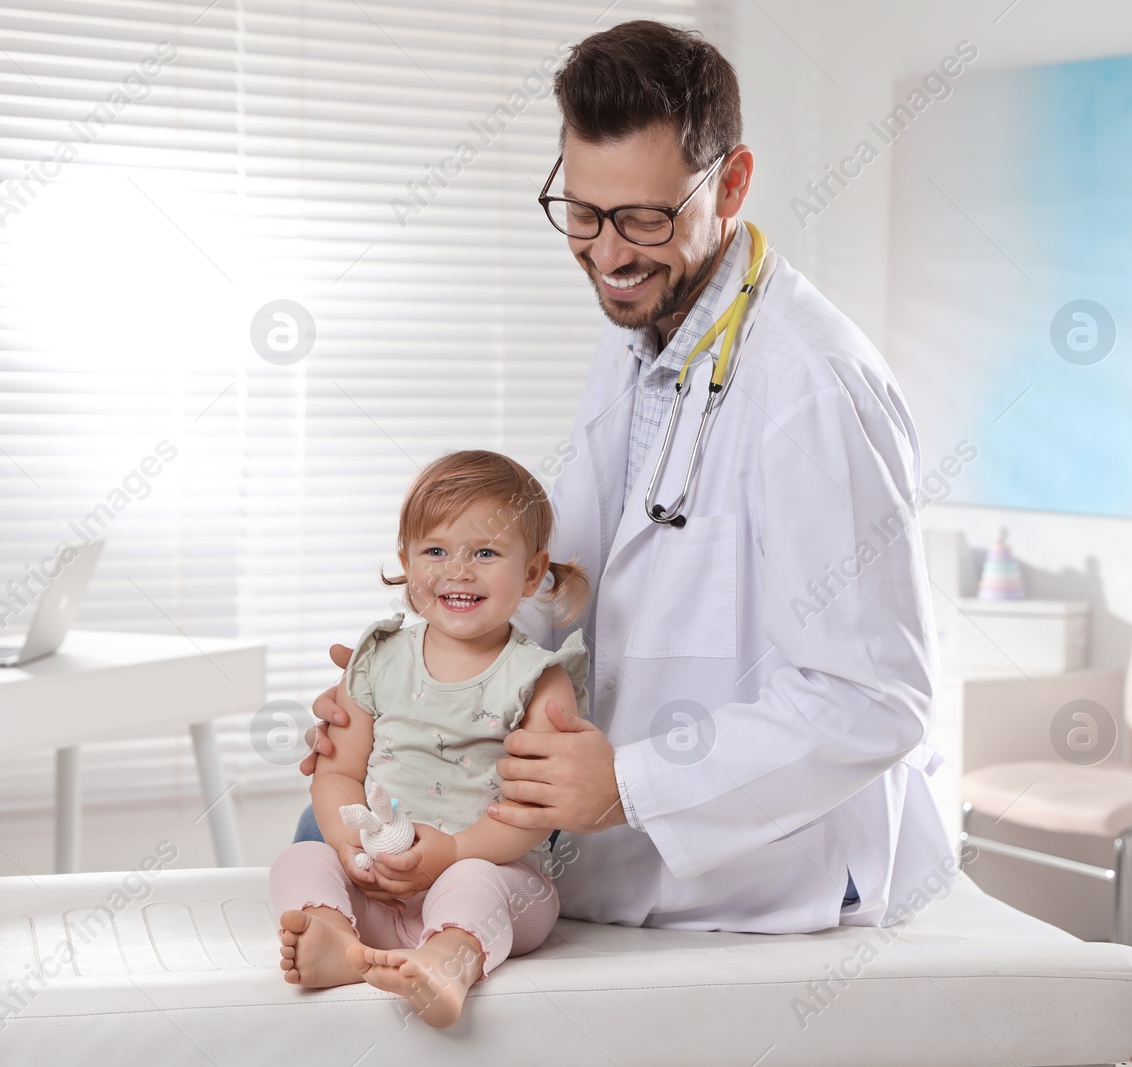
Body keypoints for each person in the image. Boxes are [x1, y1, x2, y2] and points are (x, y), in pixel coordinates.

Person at [300, 20, 953, 934]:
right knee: (326, 835)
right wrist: (425, 671)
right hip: (609, 838)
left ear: (730, 182)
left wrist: (634, 784)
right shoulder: (641, 326)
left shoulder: (812, 386)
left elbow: (875, 697)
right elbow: (569, 578)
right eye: (582, 212)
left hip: (773, 868)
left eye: (645, 217)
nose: (607, 254)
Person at [270, 450, 590, 1026]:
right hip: (377, 886)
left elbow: (536, 810)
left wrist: (455, 851)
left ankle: (450, 958)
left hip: (492, 883)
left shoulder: (539, 681)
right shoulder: (377, 661)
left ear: (533, 571)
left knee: (473, 882)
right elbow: (337, 771)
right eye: (436, 551)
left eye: (485, 553)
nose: (458, 571)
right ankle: (337, 940)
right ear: (405, 560)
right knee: (301, 856)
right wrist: (347, 844)